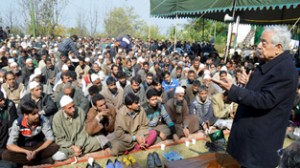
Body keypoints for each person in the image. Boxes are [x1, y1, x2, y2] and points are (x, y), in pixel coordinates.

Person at [212, 26, 298, 167]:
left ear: (278, 47)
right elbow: (261, 93)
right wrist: (247, 84)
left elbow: (264, 100)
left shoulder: (285, 70)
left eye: (263, 42)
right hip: (248, 142)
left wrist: (232, 89)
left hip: (257, 148)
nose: (258, 46)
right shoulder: (270, 63)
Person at [2, 101, 59, 165]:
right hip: (24, 148)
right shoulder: (17, 123)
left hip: (38, 147)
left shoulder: (43, 119)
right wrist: (26, 152)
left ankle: (28, 161)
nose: (37, 115)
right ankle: (42, 161)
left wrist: (36, 151)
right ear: (26, 115)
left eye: (37, 112)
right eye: (34, 114)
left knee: (56, 146)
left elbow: (50, 139)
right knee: (6, 155)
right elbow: (9, 145)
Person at [52, 95, 102, 160]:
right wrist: (73, 147)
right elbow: (59, 139)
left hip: (82, 143)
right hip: (68, 146)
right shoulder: (57, 118)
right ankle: (76, 152)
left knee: (99, 140)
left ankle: (76, 153)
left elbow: (84, 131)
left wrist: (79, 146)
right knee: (58, 156)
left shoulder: (80, 111)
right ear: (63, 109)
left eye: (73, 106)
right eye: (69, 108)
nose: (73, 109)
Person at [0, 91, 18, 158]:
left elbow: (13, 121)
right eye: (0, 100)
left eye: (3, 99)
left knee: (5, 125)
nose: (3, 102)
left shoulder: (10, 104)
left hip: (8, 130)